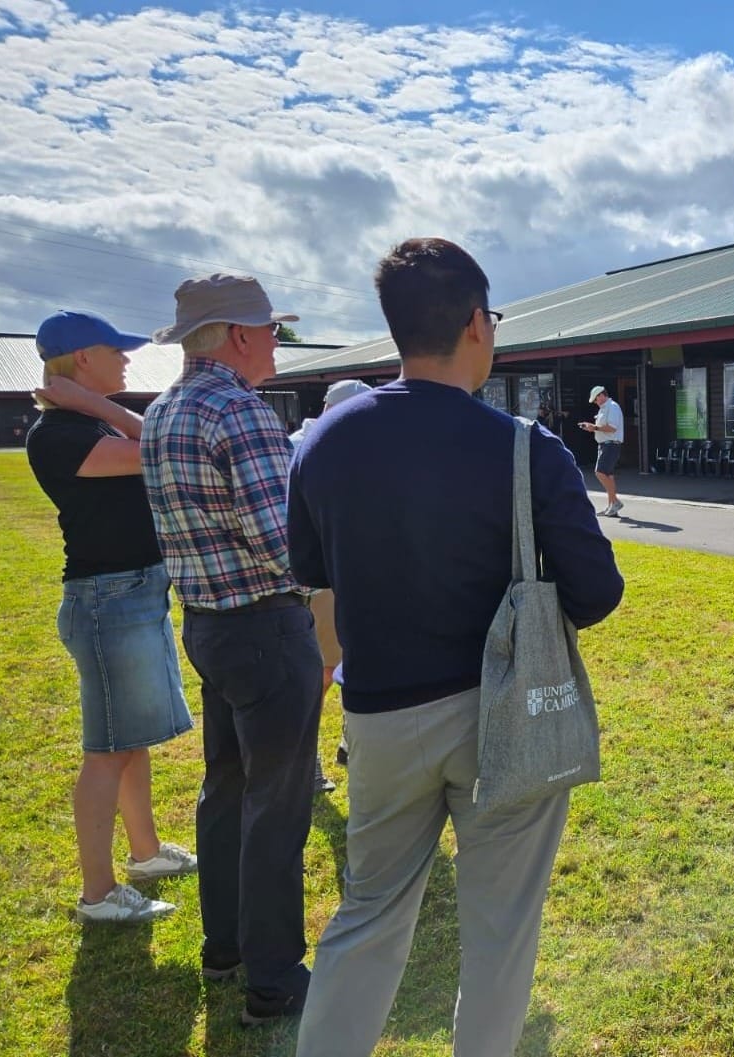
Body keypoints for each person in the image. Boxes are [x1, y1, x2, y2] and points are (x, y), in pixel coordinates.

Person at [288, 237, 623, 1057]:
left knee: (366, 915)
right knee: (500, 930)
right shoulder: (527, 448)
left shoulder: (325, 442)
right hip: (501, 713)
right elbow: (600, 591)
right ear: (477, 323)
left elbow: (315, 577)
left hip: (378, 718)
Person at [141, 274, 324, 1027]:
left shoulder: (160, 410)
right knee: (277, 808)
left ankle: (224, 946)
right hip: (266, 625)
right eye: (272, 330)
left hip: (208, 622)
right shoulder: (241, 412)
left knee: (225, 789)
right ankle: (275, 978)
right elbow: (283, 542)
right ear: (242, 336)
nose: (277, 342)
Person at [25, 310, 198, 925]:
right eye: (114, 351)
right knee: (108, 749)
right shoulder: (58, 435)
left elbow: (151, 438)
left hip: (131, 594)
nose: (126, 362)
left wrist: (87, 402)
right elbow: (161, 448)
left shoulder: (78, 421)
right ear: (80, 361)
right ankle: (97, 894)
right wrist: (90, 406)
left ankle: (145, 853)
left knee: (130, 740)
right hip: (109, 601)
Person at [290, 377, 374, 794]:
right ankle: (308, 765)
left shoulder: (314, 443)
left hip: (348, 574)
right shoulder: (309, 448)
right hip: (323, 576)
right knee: (324, 671)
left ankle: (348, 746)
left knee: (347, 663)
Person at [579, 383, 624, 516]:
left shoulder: (612, 407)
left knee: (600, 472)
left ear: (602, 395)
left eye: (596, 399)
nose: (595, 402)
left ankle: (615, 502)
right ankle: (612, 506)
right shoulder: (604, 408)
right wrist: (592, 427)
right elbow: (602, 427)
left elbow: (612, 428)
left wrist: (595, 428)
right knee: (608, 475)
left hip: (611, 444)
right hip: (605, 444)